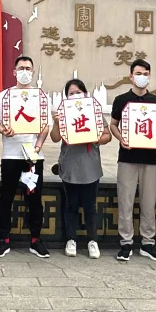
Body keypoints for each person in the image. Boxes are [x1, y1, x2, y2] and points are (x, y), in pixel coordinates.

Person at [0, 56, 53, 259]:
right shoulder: (4, 96)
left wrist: (39, 144)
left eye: (28, 68)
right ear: (14, 71)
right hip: (10, 155)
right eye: (21, 68)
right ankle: (4, 239)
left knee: (34, 198)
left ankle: (35, 240)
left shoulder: (41, 96)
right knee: (6, 197)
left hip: (33, 156)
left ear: (33, 72)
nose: (24, 72)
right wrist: (3, 130)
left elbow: (46, 125)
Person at [110, 59, 156, 262]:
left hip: (150, 159)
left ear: (149, 76)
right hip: (127, 157)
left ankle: (148, 243)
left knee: (148, 203)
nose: (142, 77)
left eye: (145, 74)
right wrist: (121, 139)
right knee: (125, 201)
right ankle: (126, 243)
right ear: (131, 76)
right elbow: (113, 125)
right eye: (138, 73)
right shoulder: (121, 99)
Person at [51, 78, 110, 259]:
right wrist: (56, 122)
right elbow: (54, 138)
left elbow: (107, 135)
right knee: (71, 206)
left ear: (85, 93)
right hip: (70, 165)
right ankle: (71, 240)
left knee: (90, 206)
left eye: (78, 92)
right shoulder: (63, 113)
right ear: (66, 96)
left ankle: (92, 241)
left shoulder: (93, 111)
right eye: (71, 93)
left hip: (90, 165)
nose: (75, 95)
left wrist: (96, 138)